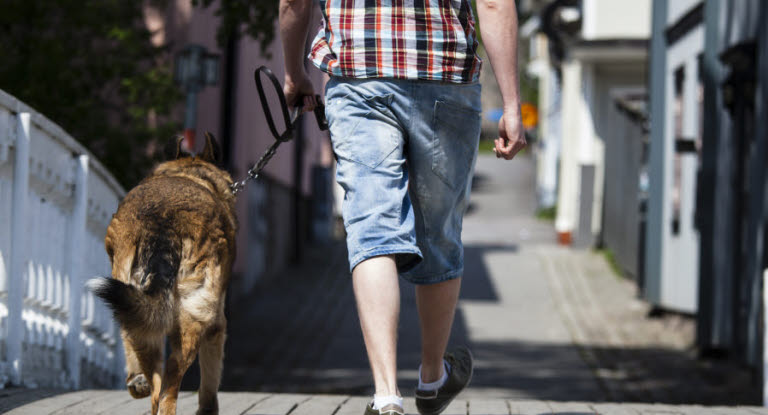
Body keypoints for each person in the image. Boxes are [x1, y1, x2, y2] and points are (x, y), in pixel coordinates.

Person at [279, 1, 526, 414]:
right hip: (444, 75)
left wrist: (294, 72)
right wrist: (513, 105)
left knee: (372, 229)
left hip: (358, 73)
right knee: (439, 232)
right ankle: (432, 377)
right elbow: (493, 3)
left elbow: (294, 3)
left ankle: (386, 395)